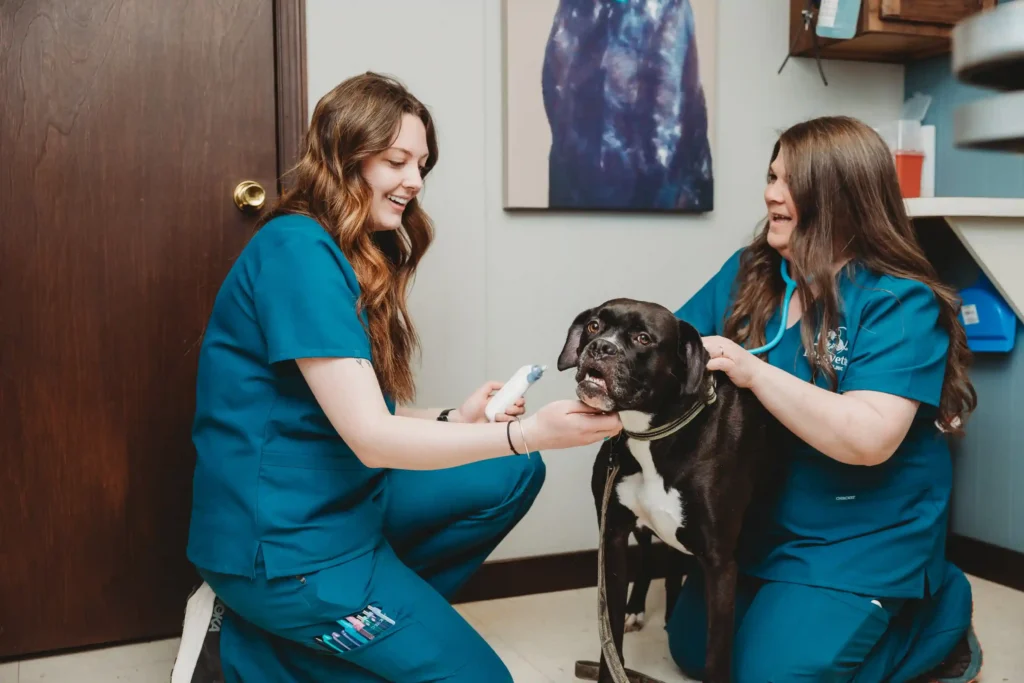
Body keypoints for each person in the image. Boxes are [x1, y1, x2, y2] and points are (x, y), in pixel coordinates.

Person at [178, 72, 622, 683]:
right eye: (396, 161)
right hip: (283, 545)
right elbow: (370, 436)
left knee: (511, 473)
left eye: (422, 164)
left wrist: (456, 418)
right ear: (343, 157)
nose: (415, 181)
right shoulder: (297, 252)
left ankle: (311, 637)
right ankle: (252, 643)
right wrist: (531, 432)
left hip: (340, 501)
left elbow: (359, 408)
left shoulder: (346, 249)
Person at [668, 116, 983, 683]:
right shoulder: (750, 274)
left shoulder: (897, 301)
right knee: (695, 650)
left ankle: (938, 617)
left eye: (790, 182)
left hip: (860, 534)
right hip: (764, 520)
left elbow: (867, 438)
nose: (770, 193)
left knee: (773, 676)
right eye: (770, 176)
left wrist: (753, 372)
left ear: (841, 196)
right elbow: (675, 349)